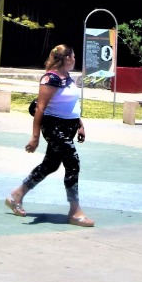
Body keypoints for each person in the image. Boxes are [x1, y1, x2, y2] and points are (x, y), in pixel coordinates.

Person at [6, 44, 94, 227]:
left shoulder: (67, 76)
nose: (75, 59)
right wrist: (35, 137)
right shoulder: (50, 78)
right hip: (54, 128)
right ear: (67, 58)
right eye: (73, 56)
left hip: (68, 127)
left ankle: (17, 195)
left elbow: (70, 104)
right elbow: (40, 107)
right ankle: (75, 211)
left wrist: (79, 124)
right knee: (73, 162)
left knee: (51, 164)